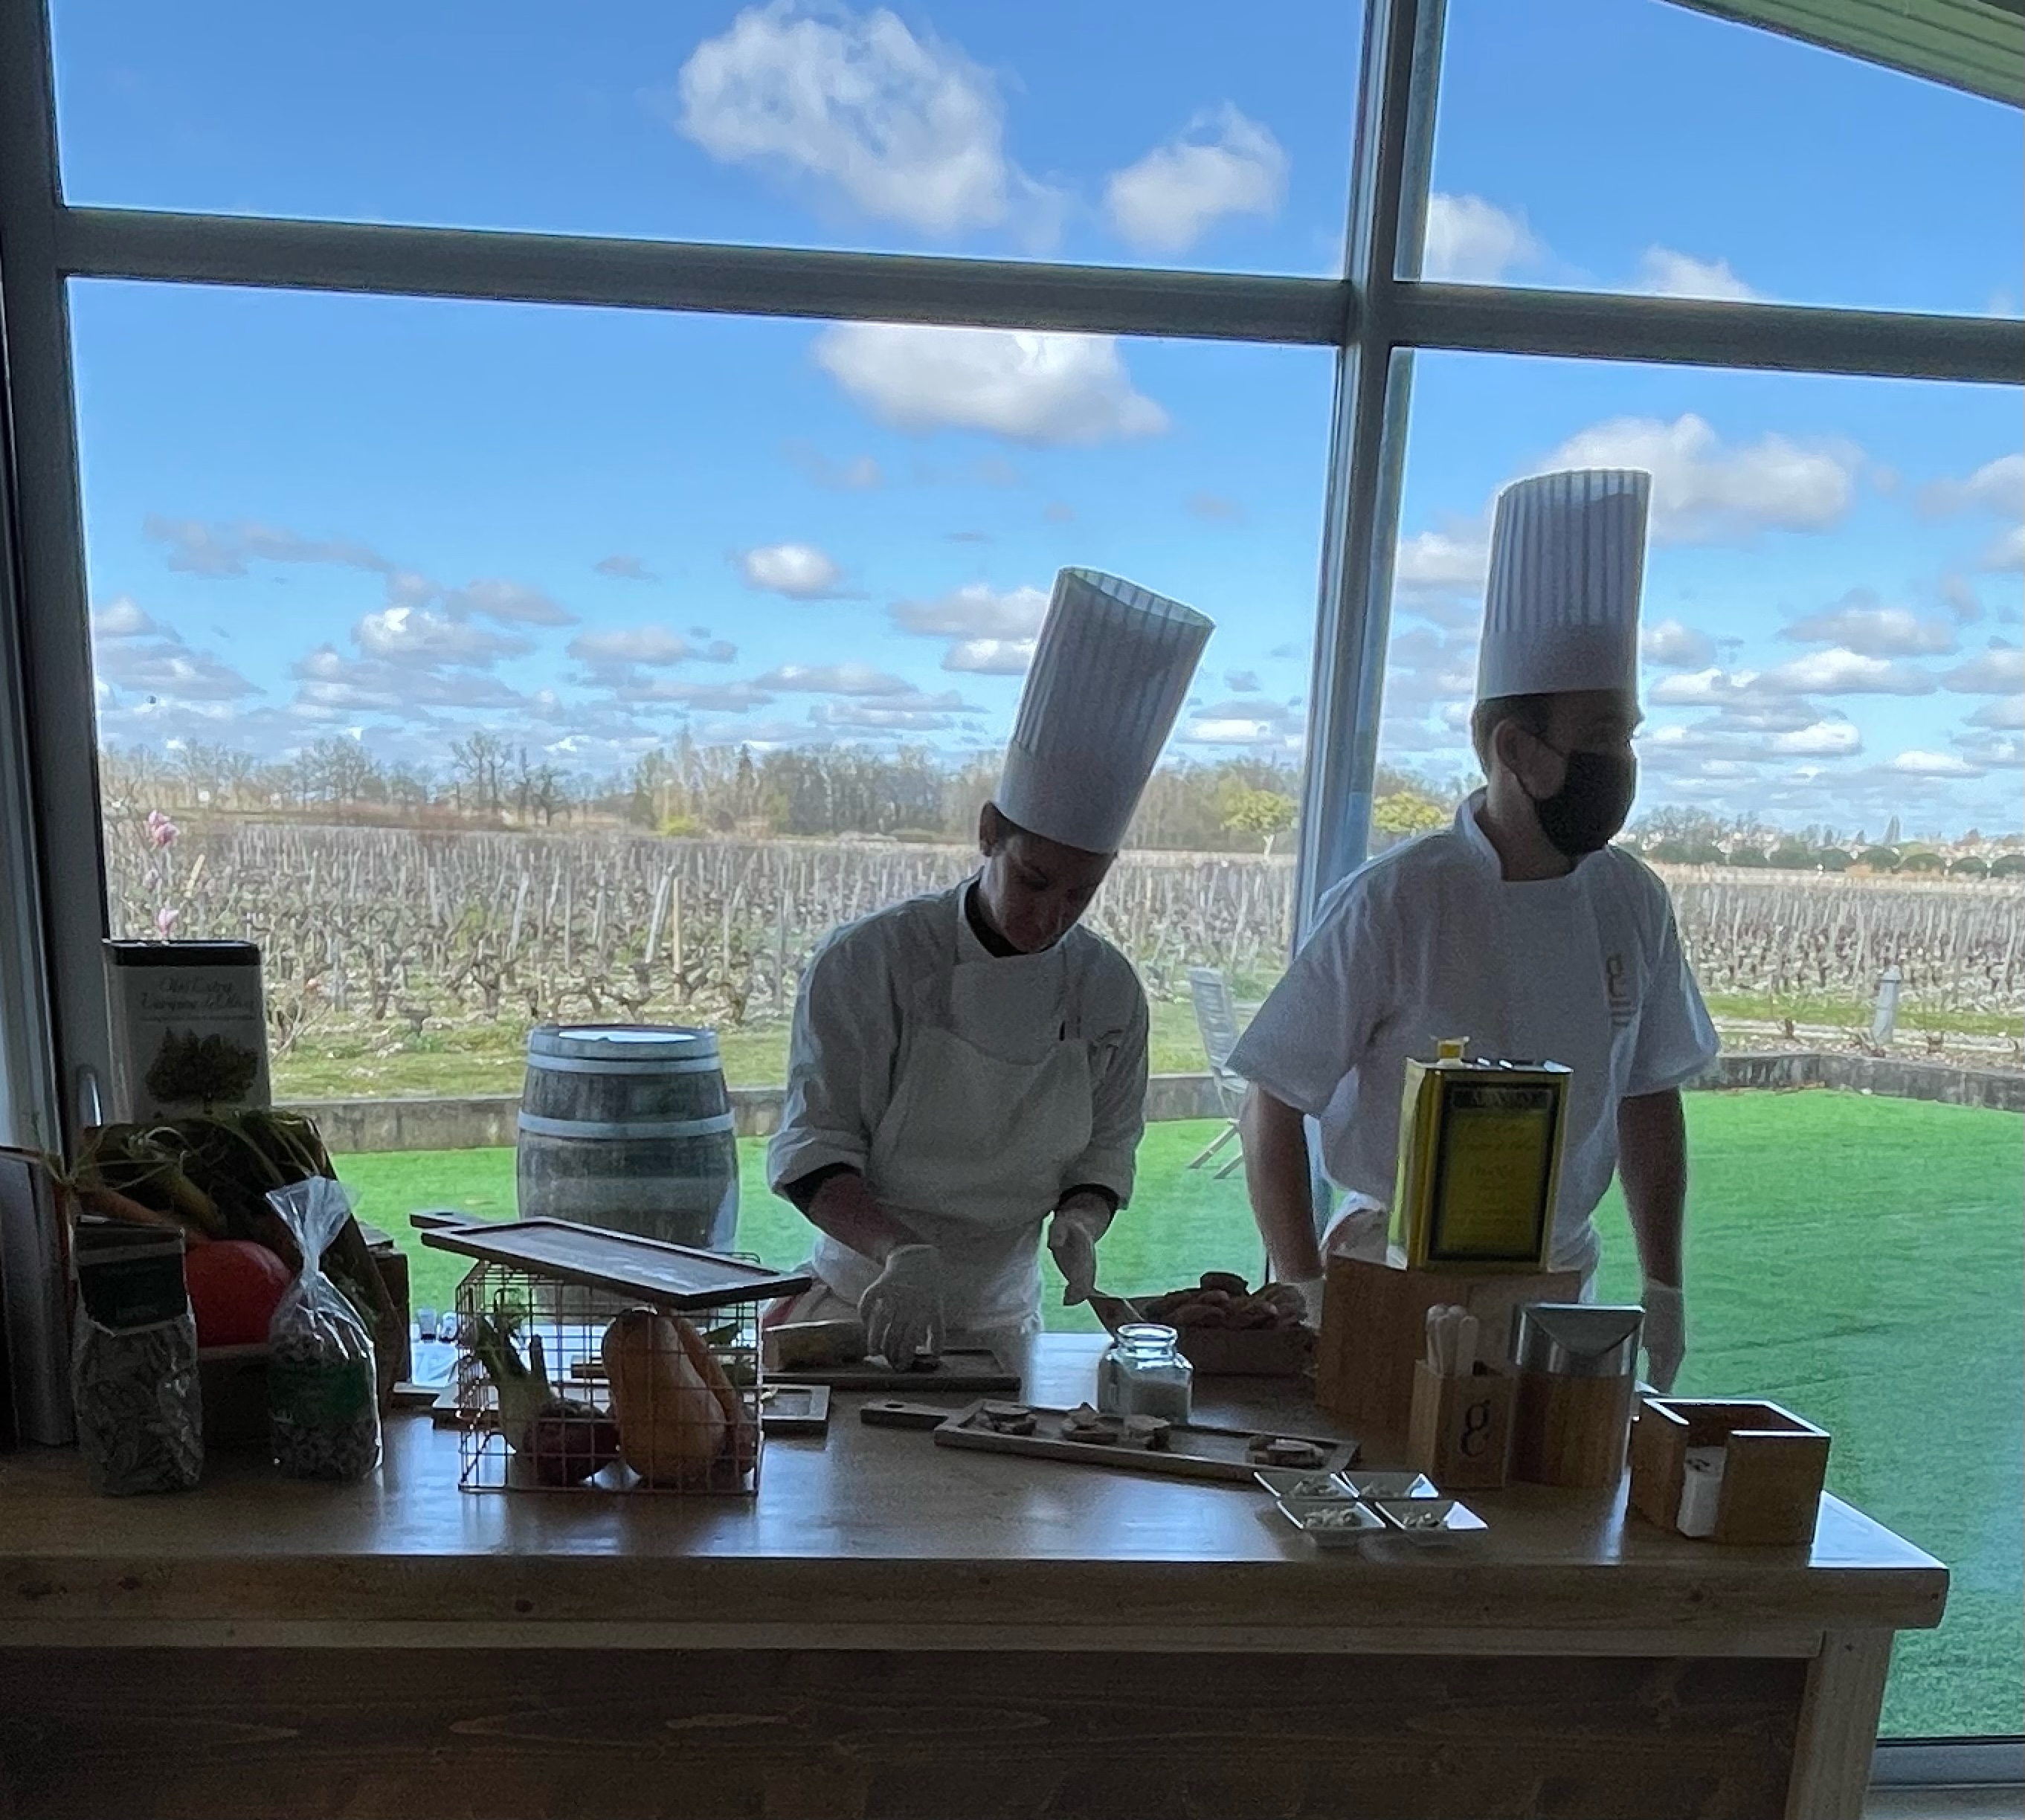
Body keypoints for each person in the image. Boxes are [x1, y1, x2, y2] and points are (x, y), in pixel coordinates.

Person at [1229, 468, 1716, 1393]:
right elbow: (1273, 1095)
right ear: (1516, 752)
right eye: (1603, 737)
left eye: (1627, 738)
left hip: (1561, 1289)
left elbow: (1648, 1098)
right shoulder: (1396, 898)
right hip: (1387, 1273)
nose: (1620, 764)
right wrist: (1301, 1284)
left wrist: (1664, 1284)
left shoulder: (1632, 901)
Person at [766, 570, 1212, 1364]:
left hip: (1007, 1330)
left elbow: (1105, 1150)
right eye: (1035, 880)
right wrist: (902, 1253)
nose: (1051, 916)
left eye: (1083, 891)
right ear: (987, 834)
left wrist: (1080, 1219)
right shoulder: (870, 963)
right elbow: (813, 1149)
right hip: (853, 1310)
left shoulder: (1107, 991)